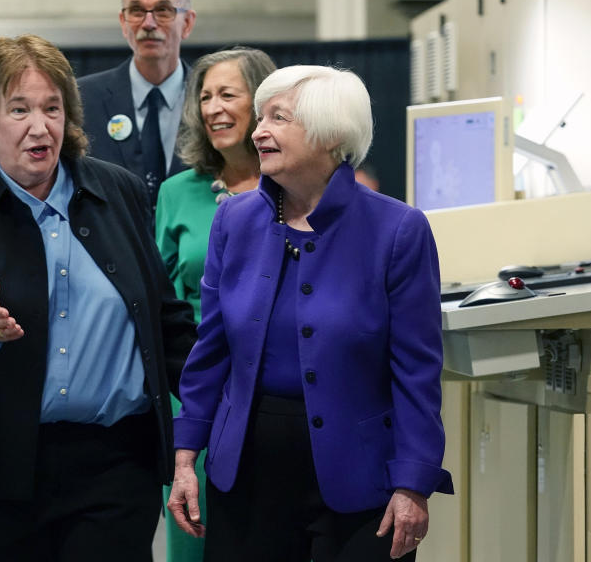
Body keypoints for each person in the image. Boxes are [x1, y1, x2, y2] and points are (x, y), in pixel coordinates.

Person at [0, 34, 197, 561]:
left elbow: (162, 316)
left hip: (112, 471)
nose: (40, 126)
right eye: (19, 109)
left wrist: (223, 394)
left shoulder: (119, 191)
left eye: (52, 108)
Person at [167, 65, 454, 562]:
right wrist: (186, 455)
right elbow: (209, 352)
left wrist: (413, 483)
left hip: (361, 480)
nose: (258, 132)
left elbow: (417, 371)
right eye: (260, 117)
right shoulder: (233, 221)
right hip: (247, 474)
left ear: (331, 134)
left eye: (278, 118)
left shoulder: (398, 230)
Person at [155, 47, 277, 560]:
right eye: (205, 97)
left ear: (264, 105)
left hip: (276, 396)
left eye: (228, 94)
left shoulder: (291, 185)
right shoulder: (177, 193)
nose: (213, 108)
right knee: (193, 543)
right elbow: (159, 300)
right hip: (198, 394)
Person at [78, 0, 197, 205]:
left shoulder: (212, 101)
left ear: (187, 23)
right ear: (123, 22)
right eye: (137, 11)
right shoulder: (82, 100)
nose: (149, 23)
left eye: (163, 10)